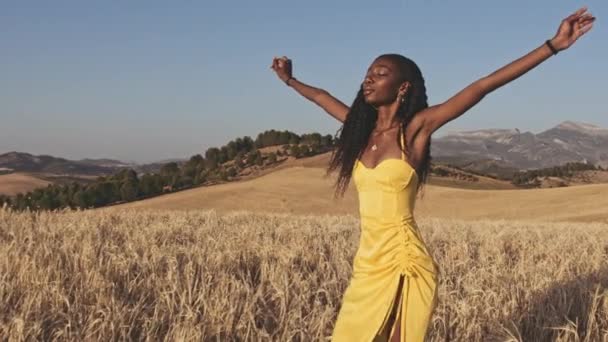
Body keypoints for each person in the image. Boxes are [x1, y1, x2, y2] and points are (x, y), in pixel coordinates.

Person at [270, 7, 595, 342]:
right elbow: (323, 99)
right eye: (368, 73)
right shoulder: (360, 132)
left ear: (402, 87)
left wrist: (553, 45)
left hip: (405, 262)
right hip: (367, 265)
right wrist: (290, 80)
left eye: (380, 73)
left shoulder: (415, 130)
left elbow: (482, 86)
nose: (368, 78)